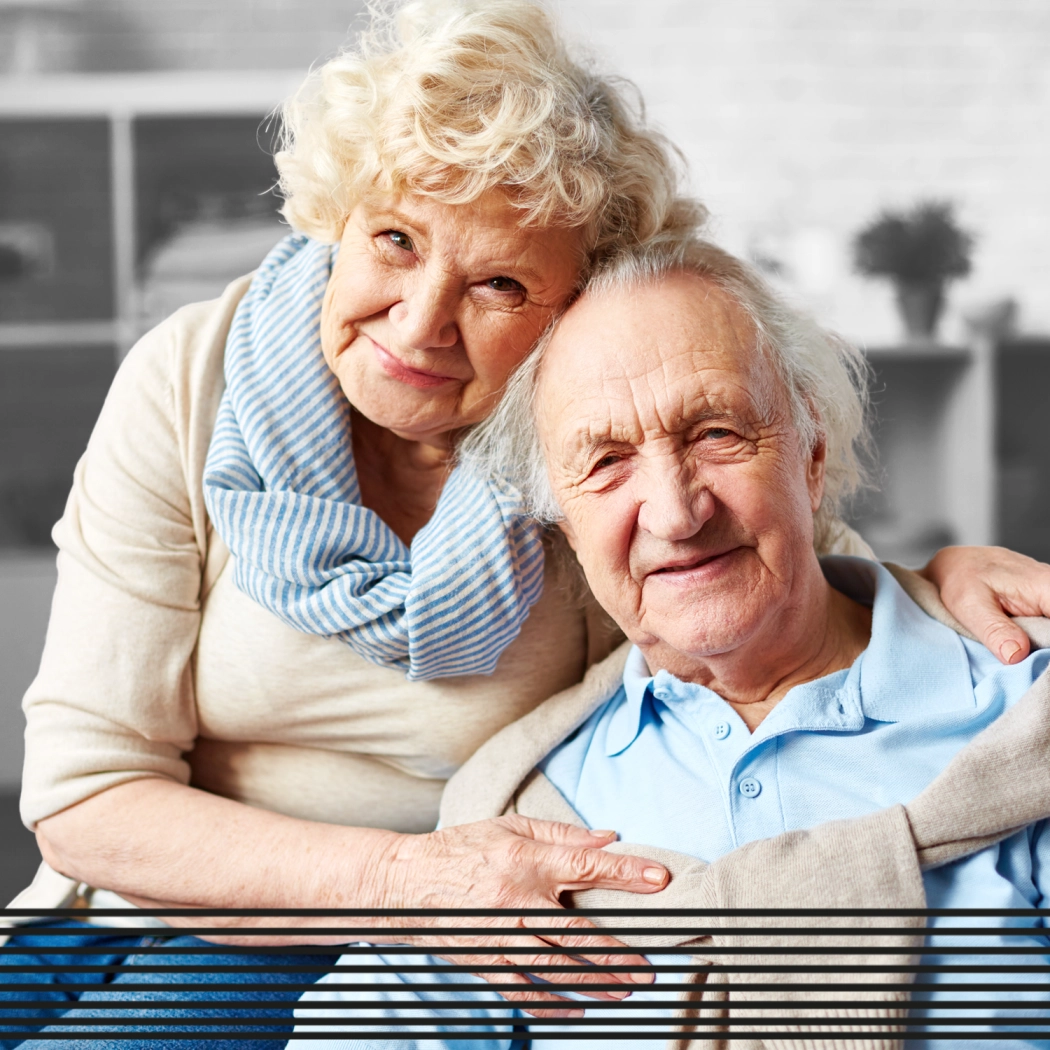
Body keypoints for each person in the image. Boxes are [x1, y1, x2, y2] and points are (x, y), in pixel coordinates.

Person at [5, 1, 1050, 1047]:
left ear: (569, 317)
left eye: (499, 282)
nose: (419, 323)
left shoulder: (581, 459)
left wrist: (942, 586)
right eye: (395, 240)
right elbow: (84, 793)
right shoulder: (191, 376)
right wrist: (410, 877)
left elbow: (756, 561)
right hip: (125, 895)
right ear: (338, 218)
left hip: (346, 948)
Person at [290, 237, 1050, 1049]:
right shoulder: (519, 812)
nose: (676, 514)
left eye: (715, 433)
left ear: (812, 455)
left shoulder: (1019, 717)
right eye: (607, 462)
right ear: (563, 527)